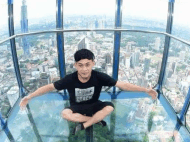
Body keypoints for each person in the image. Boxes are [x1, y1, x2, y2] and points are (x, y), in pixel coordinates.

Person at [20, 49, 158, 135]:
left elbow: (122, 84)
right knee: (65, 114)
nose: (84, 69)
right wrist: (30, 96)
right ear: (75, 65)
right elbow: (49, 87)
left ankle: (85, 124)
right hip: (76, 107)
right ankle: (95, 121)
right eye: (80, 65)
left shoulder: (99, 76)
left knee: (109, 107)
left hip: (94, 105)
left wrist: (145, 90)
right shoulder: (70, 79)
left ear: (93, 63)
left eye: (87, 65)